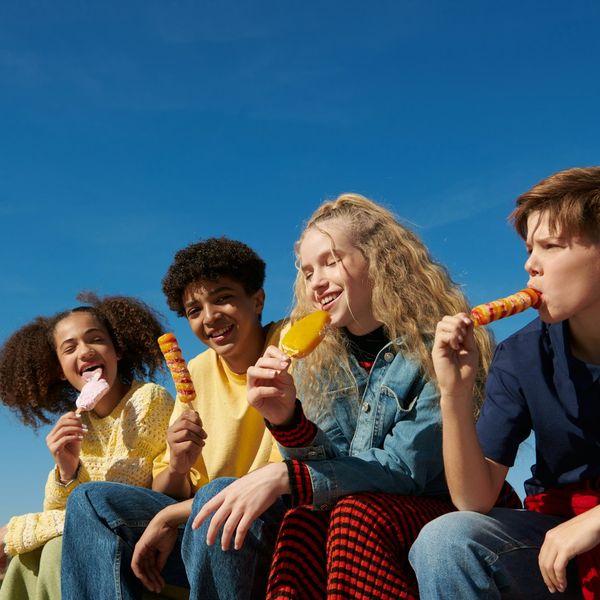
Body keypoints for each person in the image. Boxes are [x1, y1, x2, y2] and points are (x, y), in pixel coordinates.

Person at [190, 193, 514, 600]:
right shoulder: (320, 359)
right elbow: (335, 464)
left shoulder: (441, 346)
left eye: (331, 261)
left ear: (379, 261)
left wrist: (284, 475)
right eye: (308, 271)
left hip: (446, 505)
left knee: (354, 514)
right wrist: (288, 422)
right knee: (302, 521)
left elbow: (408, 468)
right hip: (364, 506)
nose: (317, 282)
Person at [409, 166, 600, 599]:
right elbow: (474, 502)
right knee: (447, 541)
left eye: (550, 246)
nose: (529, 264)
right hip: (555, 542)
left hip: (584, 528)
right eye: (530, 248)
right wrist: (454, 394)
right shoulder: (520, 354)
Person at [61, 238, 284, 600]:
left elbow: (277, 478)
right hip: (201, 522)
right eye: (194, 310)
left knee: (217, 494)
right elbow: (167, 490)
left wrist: (168, 517)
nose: (209, 317)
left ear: (257, 300)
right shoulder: (194, 374)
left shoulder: (286, 347)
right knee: (90, 501)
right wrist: (179, 465)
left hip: (270, 520)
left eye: (223, 297)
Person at [0, 292, 174, 600]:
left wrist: (13, 532)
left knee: (55, 549)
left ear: (117, 350)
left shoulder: (147, 400)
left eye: (95, 339)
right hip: (99, 539)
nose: (85, 351)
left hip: (146, 533)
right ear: (59, 370)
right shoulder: (80, 424)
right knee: (33, 557)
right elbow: (59, 513)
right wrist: (67, 470)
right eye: (70, 348)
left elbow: (107, 504)